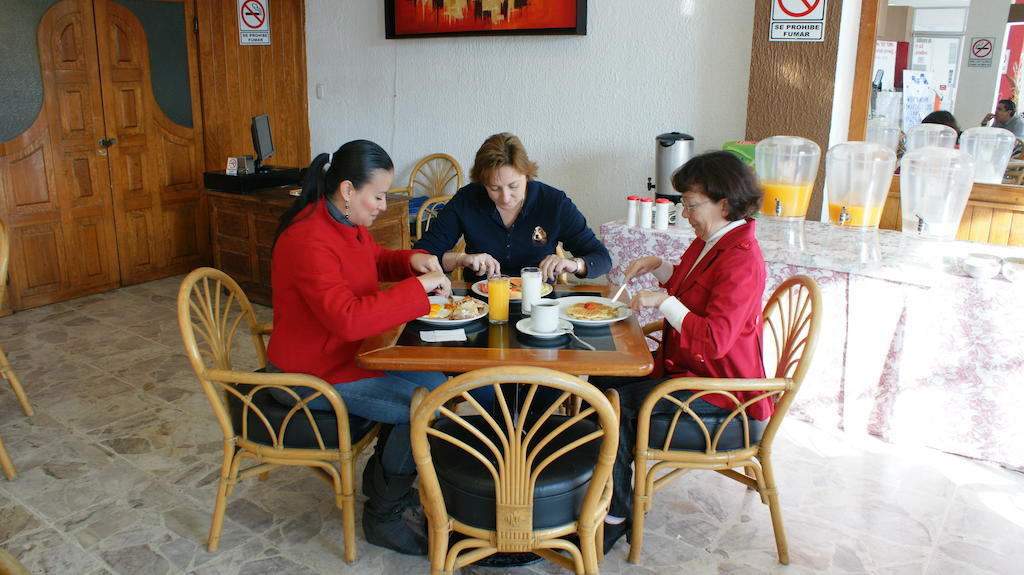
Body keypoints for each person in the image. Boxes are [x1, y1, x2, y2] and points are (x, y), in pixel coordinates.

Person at [267, 140, 452, 556]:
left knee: (438, 385)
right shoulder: (309, 239)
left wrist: (412, 262)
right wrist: (416, 289)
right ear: (348, 190)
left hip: (350, 355)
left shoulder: (342, 223)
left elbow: (376, 260)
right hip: (309, 374)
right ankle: (382, 516)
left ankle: (382, 479)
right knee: (424, 406)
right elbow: (347, 318)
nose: (384, 205)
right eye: (379, 195)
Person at [591, 151, 768, 553]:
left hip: (724, 400)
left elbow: (715, 340)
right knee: (599, 381)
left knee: (610, 403)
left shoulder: (741, 259)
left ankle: (617, 512)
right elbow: (691, 288)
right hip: (692, 375)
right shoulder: (713, 242)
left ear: (724, 204)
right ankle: (603, 490)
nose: (684, 212)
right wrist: (660, 267)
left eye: (690, 203)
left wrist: (663, 302)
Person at [413, 132, 611, 284]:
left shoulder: (553, 202)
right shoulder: (468, 199)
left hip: (539, 304)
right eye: (494, 188)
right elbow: (421, 255)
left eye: (514, 186)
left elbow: (602, 258)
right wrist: (461, 259)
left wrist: (573, 264)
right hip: (479, 305)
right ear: (482, 182)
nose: (505, 198)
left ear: (527, 175)